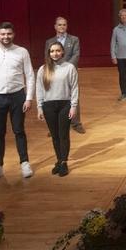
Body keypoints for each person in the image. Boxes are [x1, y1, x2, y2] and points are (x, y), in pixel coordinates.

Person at [0, 22, 35, 183]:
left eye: (9, 34)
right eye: (3, 34)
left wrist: (29, 97)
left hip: (17, 96)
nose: (6, 37)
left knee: (19, 131)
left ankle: (24, 163)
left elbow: (30, 75)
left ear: (13, 34)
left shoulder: (22, 52)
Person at [36, 42, 79, 177]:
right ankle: (59, 160)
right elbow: (39, 89)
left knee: (63, 134)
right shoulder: (43, 69)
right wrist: (39, 107)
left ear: (62, 52)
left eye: (58, 51)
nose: (55, 53)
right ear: (49, 53)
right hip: (48, 106)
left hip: (64, 104)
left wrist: (74, 106)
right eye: (52, 51)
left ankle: (64, 162)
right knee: (55, 135)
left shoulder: (69, 67)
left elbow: (74, 88)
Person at [45, 17, 84, 133]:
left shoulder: (74, 39)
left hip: (70, 72)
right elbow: (47, 57)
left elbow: (76, 55)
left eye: (64, 25)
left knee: (74, 95)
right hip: (54, 73)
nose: (62, 27)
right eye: (59, 25)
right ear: (55, 26)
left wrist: (66, 68)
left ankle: (76, 123)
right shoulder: (49, 41)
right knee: (54, 96)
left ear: (66, 26)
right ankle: (54, 126)